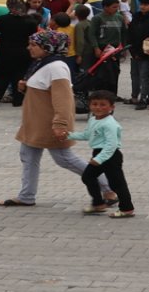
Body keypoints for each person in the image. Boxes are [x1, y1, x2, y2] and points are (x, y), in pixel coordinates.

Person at [0, 31, 113, 208]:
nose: (29, 48)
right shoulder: (41, 64)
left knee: (64, 159)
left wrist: (60, 124)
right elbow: (42, 90)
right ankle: (26, 195)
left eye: (34, 45)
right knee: (28, 156)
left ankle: (109, 188)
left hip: (49, 124)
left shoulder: (56, 67)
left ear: (48, 47)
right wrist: (24, 87)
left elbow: (63, 99)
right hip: (34, 123)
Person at [56, 91, 134, 219]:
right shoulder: (93, 120)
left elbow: (111, 145)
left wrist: (99, 159)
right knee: (87, 177)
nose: (98, 107)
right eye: (95, 104)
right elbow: (87, 135)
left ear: (112, 107)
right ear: (89, 105)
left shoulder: (110, 124)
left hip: (110, 156)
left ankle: (127, 208)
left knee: (117, 183)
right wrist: (68, 135)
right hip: (98, 153)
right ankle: (98, 203)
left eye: (103, 105)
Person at [0, 0, 40, 108]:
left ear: (9, 7)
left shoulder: (2, 19)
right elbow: (33, 37)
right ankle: (18, 101)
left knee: (1, 76)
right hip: (23, 52)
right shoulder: (30, 21)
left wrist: (4, 36)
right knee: (19, 76)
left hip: (5, 52)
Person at [128, 0, 149, 109]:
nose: (142, 7)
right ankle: (134, 96)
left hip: (147, 52)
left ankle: (145, 98)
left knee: (145, 76)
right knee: (134, 75)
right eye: (141, 4)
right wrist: (132, 49)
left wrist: (144, 51)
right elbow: (131, 32)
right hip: (134, 49)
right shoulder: (136, 17)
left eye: (146, 5)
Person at [91, 0, 127, 95]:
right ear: (105, 7)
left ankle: (113, 94)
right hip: (102, 48)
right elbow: (92, 34)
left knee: (115, 71)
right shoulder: (97, 18)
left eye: (117, 7)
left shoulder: (119, 17)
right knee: (103, 73)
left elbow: (124, 32)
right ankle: (101, 94)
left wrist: (123, 47)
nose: (116, 9)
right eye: (114, 7)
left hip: (115, 49)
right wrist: (96, 48)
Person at [73, 5, 97, 75]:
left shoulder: (79, 25)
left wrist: (79, 55)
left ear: (75, 14)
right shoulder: (90, 22)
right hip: (92, 50)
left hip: (84, 52)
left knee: (83, 71)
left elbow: (80, 41)